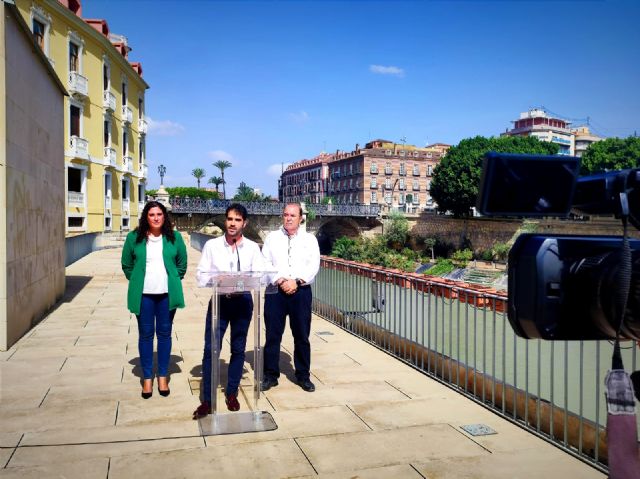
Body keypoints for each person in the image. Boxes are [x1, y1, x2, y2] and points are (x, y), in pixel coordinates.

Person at [193, 203, 264, 418]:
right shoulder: (212, 246)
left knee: (238, 349)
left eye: (237, 220)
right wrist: (217, 278)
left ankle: (231, 393)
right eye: (230, 219)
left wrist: (242, 281)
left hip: (243, 302)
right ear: (225, 221)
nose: (233, 223)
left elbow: (260, 275)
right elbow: (201, 275)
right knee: (211, 349)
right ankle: (207, 400)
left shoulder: (252, 248)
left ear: (245, 223)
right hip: (220, 302)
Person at [121, 201, 187, 399]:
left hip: (167, 295)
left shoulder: (175, 237)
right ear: (146, 217)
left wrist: (172, 279)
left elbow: (182, 265)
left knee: (165, 334)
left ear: (164, 216)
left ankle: (163, 376)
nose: (156, 218)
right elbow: (127, 265)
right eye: (152, 215)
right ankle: (148, 378)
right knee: (146, 335)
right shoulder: (134, 238)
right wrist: (137, 280)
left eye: (159, 214)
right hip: (144, 296)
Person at [260, 203, 320, 393]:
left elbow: (313, 265)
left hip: (301, 291)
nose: (288, 218)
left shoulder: (310, 239)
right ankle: (270, 375)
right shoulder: (272, 238)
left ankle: (303, 375)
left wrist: (296, 281)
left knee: (301, 335)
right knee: (272, 335)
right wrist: (280, 279)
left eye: (293, 215)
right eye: (286, 214)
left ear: (301, 218)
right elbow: (265, 262)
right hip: (275, 291)